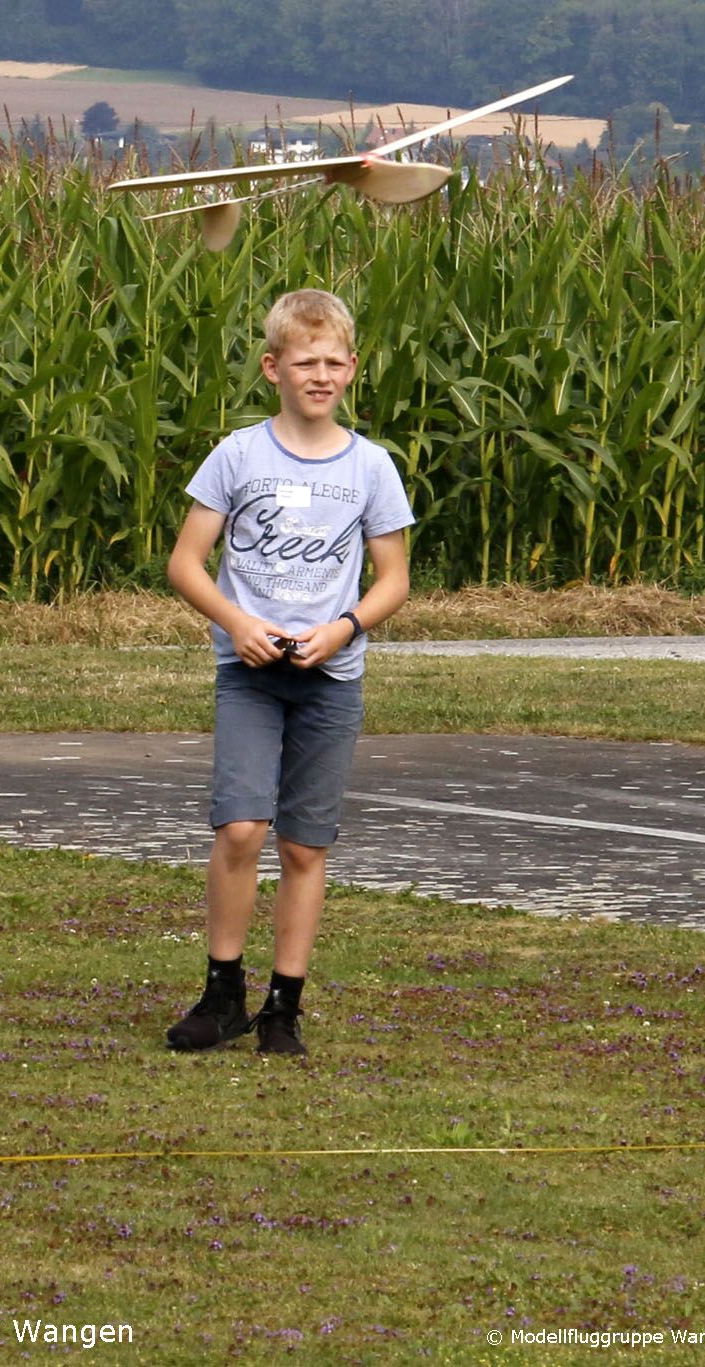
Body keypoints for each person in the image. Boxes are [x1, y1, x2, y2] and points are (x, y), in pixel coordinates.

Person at [162, 289, 413, 1057]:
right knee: (241, 826)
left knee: (304, 845)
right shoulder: (239, 455)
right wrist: (238, 625)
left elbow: (394, 579)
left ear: (353, 368)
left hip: (329, 680)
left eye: (334, 362)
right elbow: (185, 563)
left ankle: (284, 1006)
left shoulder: (370, 466)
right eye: (305, 362)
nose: (320, 375)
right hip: (251, 674)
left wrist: (343, 629)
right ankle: (222, 993)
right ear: (274, 367)